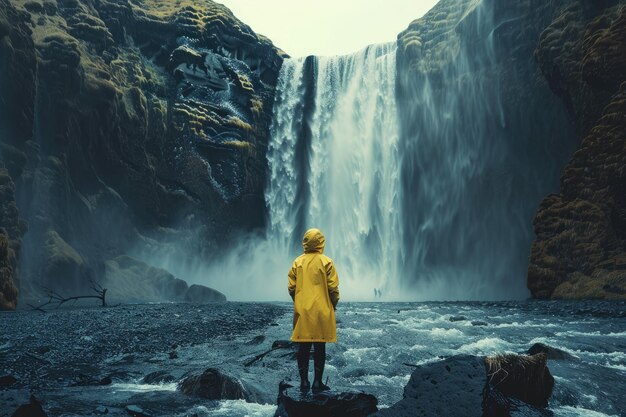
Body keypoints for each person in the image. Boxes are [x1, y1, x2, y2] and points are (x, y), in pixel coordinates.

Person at [288, 228, 340, 392]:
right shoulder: (327, 262)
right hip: (322, 309)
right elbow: (333, 288)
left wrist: (299, 301)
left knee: (303, 347)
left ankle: (304, 382)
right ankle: (318, 382)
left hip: (303, 310)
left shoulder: (298, 262)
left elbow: (291, 287)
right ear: (321, 242)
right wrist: (333, 303)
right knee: (320, 346)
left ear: (305, 242)